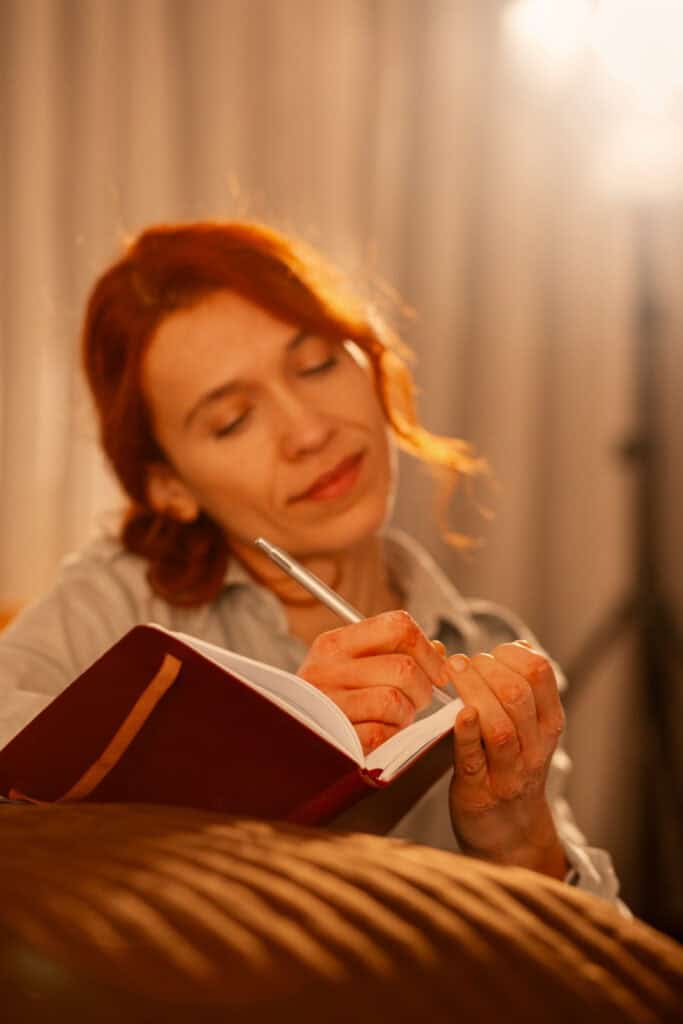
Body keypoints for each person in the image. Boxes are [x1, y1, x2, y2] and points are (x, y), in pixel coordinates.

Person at [0, 220, 624, 907]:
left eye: (318, 364)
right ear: (167, 486)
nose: (308, 431)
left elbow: (593, 977)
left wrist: (516, 843)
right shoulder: (115, 608)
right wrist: (260, 762)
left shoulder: (484, 644)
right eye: (234, 419)